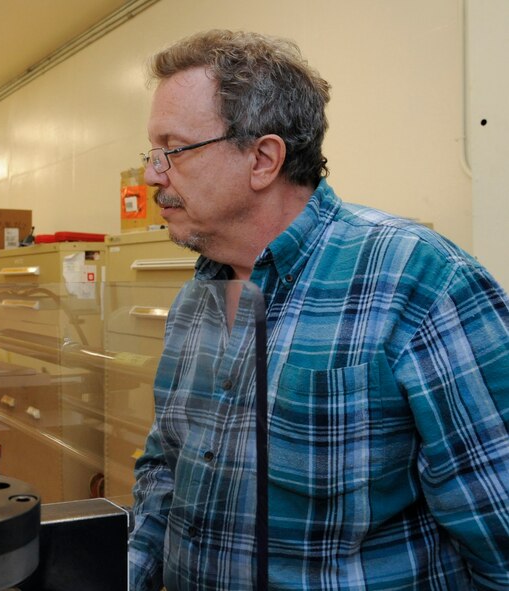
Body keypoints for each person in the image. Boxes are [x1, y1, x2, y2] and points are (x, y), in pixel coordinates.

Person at [129, 29, 509, 590]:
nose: (151, 175)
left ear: (263, 158)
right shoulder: (195, 300)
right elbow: (165, 471)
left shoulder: (419, 281)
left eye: (173, 151)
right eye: (151, 153)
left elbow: (500, 534)